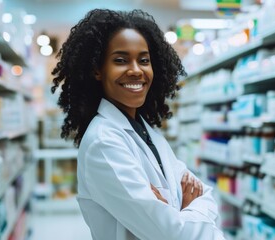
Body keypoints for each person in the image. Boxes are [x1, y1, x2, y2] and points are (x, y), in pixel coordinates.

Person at [51, 9, 225, 240]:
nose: (136, 70)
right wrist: (186, 210)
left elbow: (206, 194)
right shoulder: (104, 143)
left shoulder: (146, 132)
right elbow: (172, 234)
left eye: (144, 60)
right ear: (97, 70)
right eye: (121, 60)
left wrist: (176, 213)